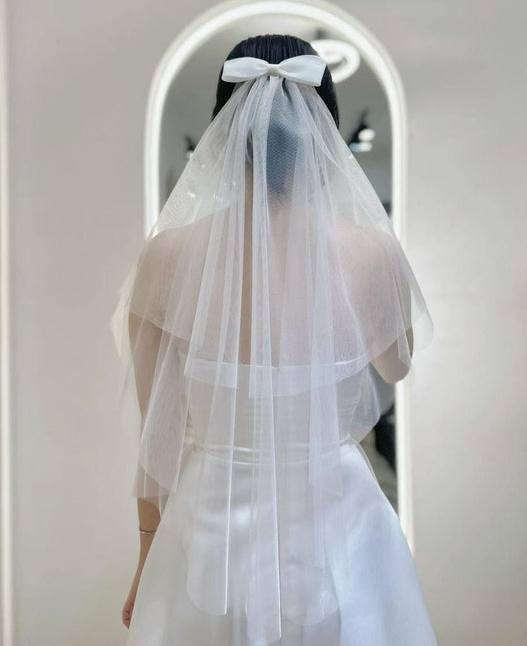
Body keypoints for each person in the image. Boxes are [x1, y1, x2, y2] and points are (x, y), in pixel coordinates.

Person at [110, 34, 437, 646]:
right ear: (326, 130)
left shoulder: (167, 257)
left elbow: (157, 428)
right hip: (337, 514)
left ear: (223, 131)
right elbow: (395, 368)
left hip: (209, 521)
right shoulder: (371, 252)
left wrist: (145, 558)